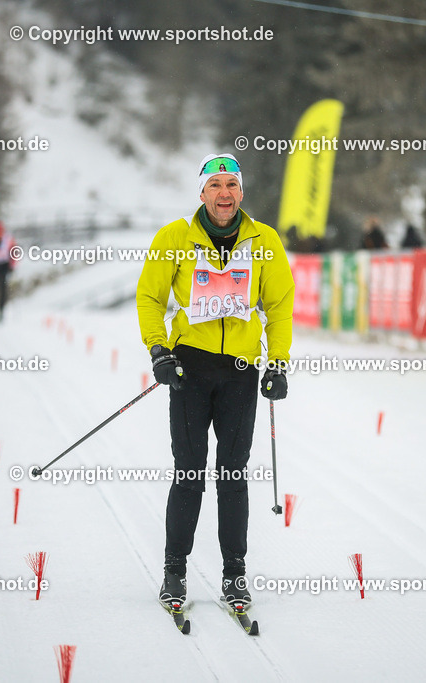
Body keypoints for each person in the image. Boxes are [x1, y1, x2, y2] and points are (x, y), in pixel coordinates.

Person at [136, 153, 294, 611]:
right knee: (189, 472)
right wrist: (159, 349)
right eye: (215, 185)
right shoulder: (175, 237)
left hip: (240, 373)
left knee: (233, 474)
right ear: (201, 192)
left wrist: (278, 362)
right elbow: (150, 296)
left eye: (232, 185)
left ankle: (234, 574)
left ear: (241, 191)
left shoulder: (264, 240)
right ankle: (174, 571)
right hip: (190, 369)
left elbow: (279, 304)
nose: (224, 193)